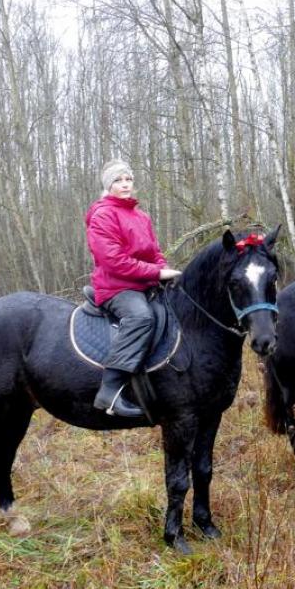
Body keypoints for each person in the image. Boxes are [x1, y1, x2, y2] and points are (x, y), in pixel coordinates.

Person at [86, 160, 182, 417]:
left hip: (144, 283)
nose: (125, 184)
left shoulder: (141, 216)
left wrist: (162, 268)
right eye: (118, 180)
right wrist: (156, 272)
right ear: (108, 186)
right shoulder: (102, 215)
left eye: (128, 179)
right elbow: (114, 261)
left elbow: (155, 252)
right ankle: (109, 391)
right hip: (116, 287)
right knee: (141, 317)